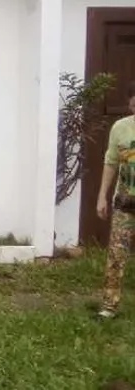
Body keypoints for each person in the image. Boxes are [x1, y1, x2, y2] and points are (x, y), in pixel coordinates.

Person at [96, 81, 135, 319]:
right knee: (116, 255)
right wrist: (102, 196)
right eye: (133, 98)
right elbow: (110, 162)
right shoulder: (120, 128)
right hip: (125, 204)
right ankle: (109, 306)